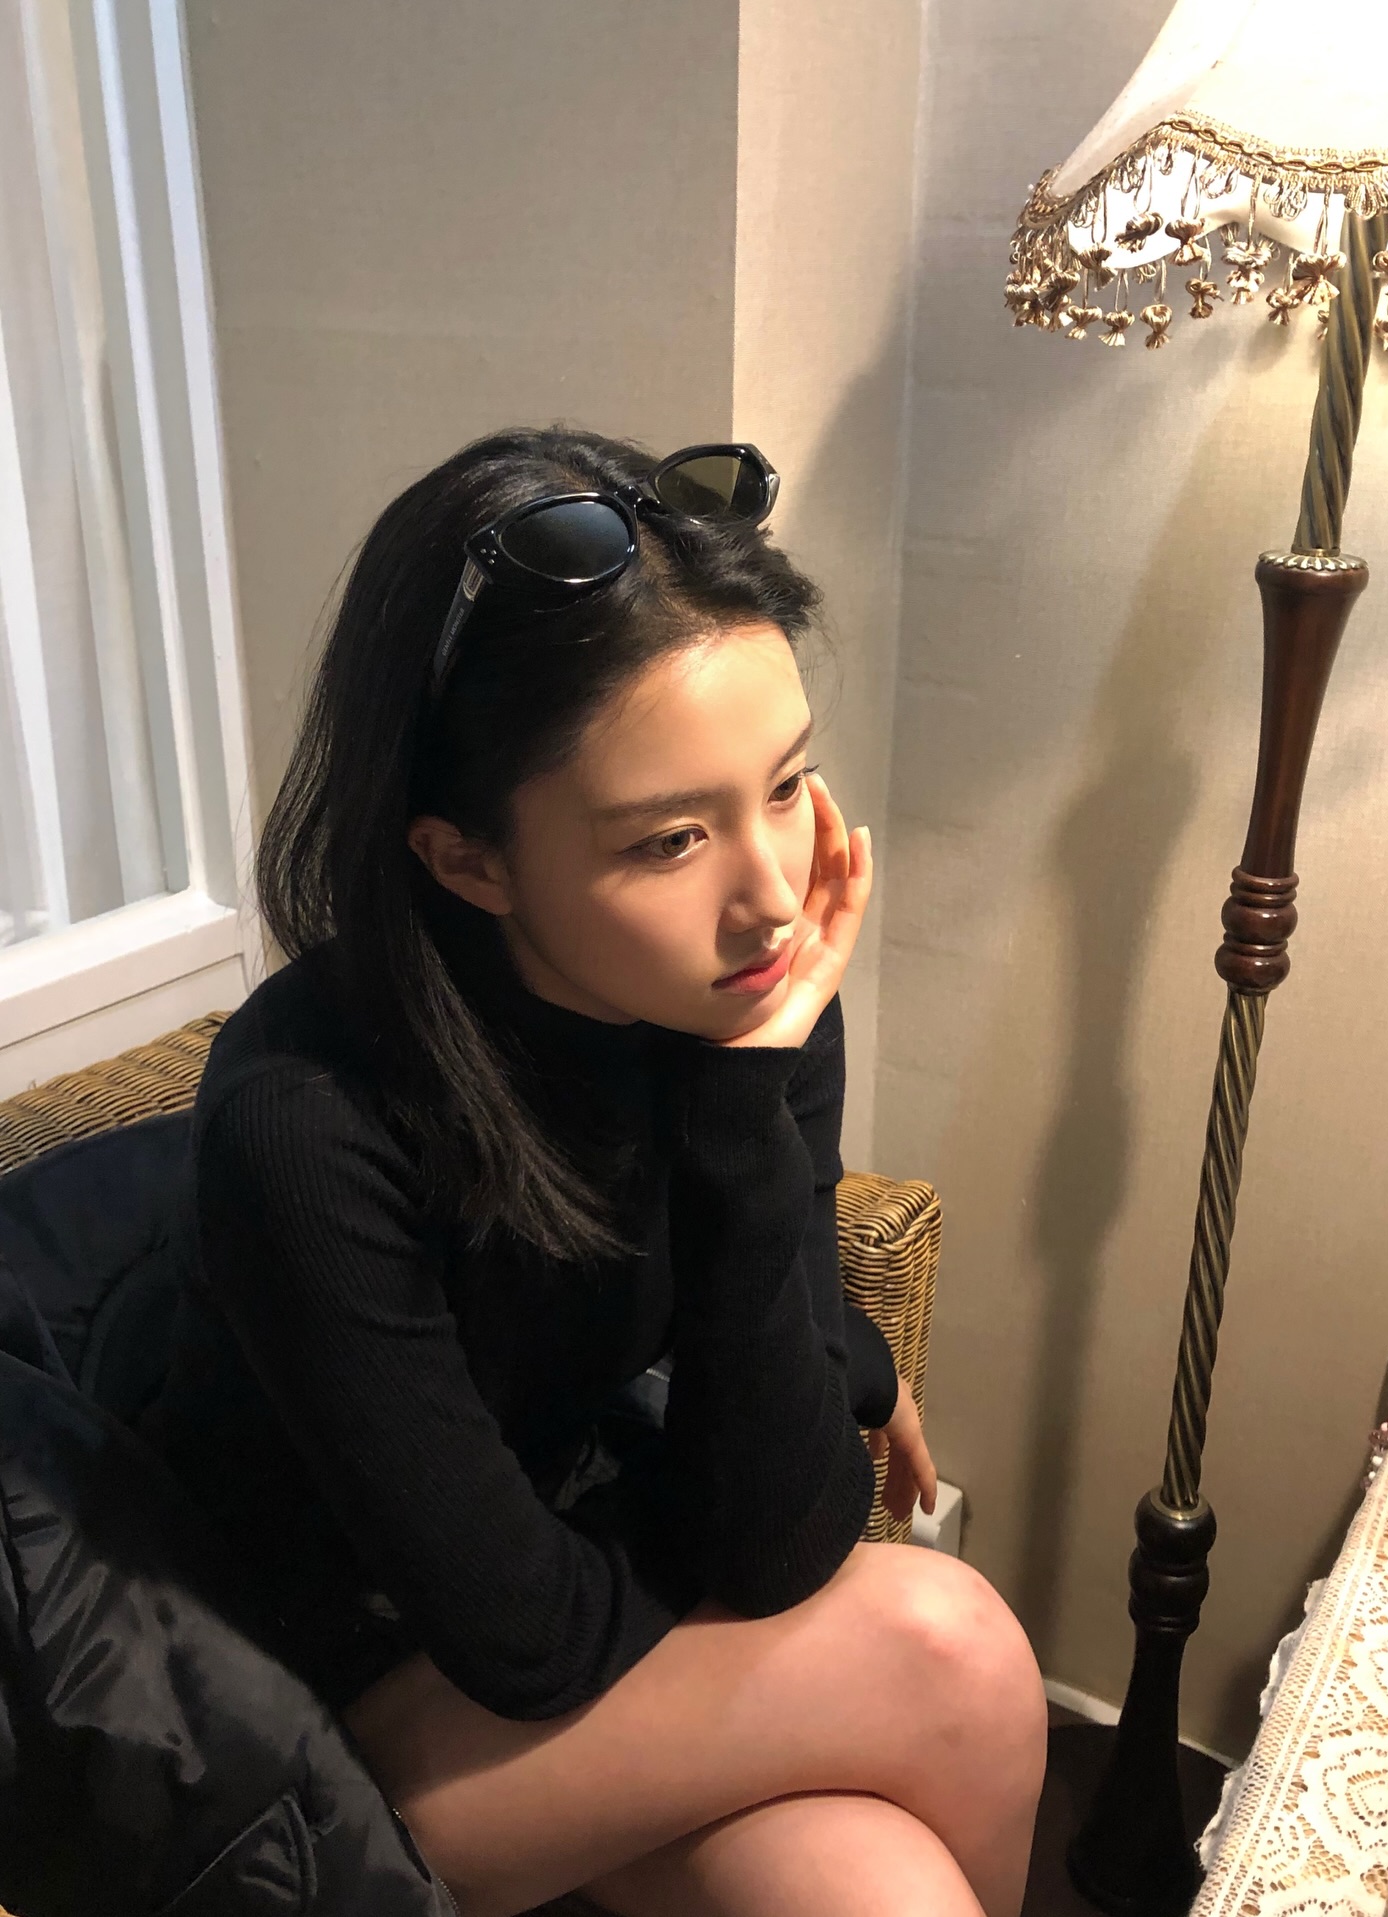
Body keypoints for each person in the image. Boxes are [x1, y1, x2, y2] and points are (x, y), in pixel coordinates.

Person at [149, 428, 1047, 1917]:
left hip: (553, 1576)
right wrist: (802, 1387)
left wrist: (757, 1158)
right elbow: (534, 1637)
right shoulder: (305, 1120)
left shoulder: (743, 1006)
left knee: (883, 1888)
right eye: (673, 837)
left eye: (787, 785)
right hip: (305, 1685)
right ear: (468, 861)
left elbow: (769, 1538)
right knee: (949, 1651)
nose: (775, 896)